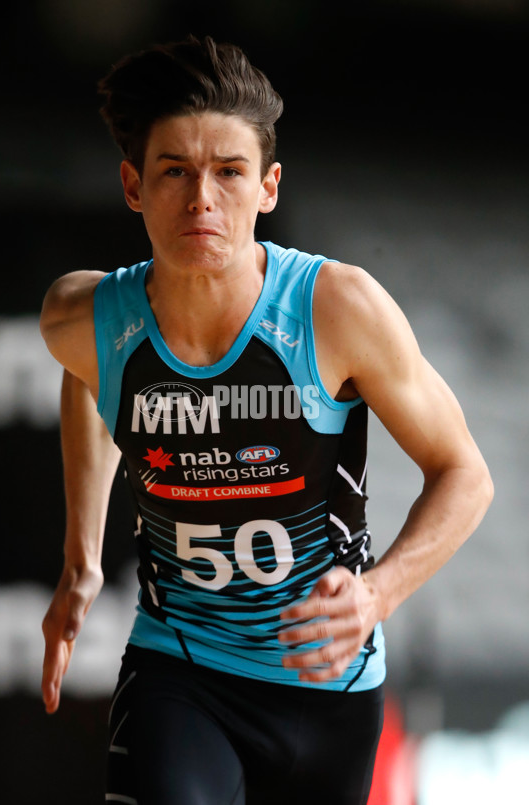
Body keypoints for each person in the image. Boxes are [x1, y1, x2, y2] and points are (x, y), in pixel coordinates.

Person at [39, 35, 493, 805]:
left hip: (328, 687)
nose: (202, 199)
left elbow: (467, 477)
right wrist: (81, 556)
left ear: (270, 187)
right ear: (133, 186)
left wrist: (377, 595)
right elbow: (87, 380)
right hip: (179, 669)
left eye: (229, 172)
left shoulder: (337, 309)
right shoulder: (82, 317)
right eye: (175, 171)